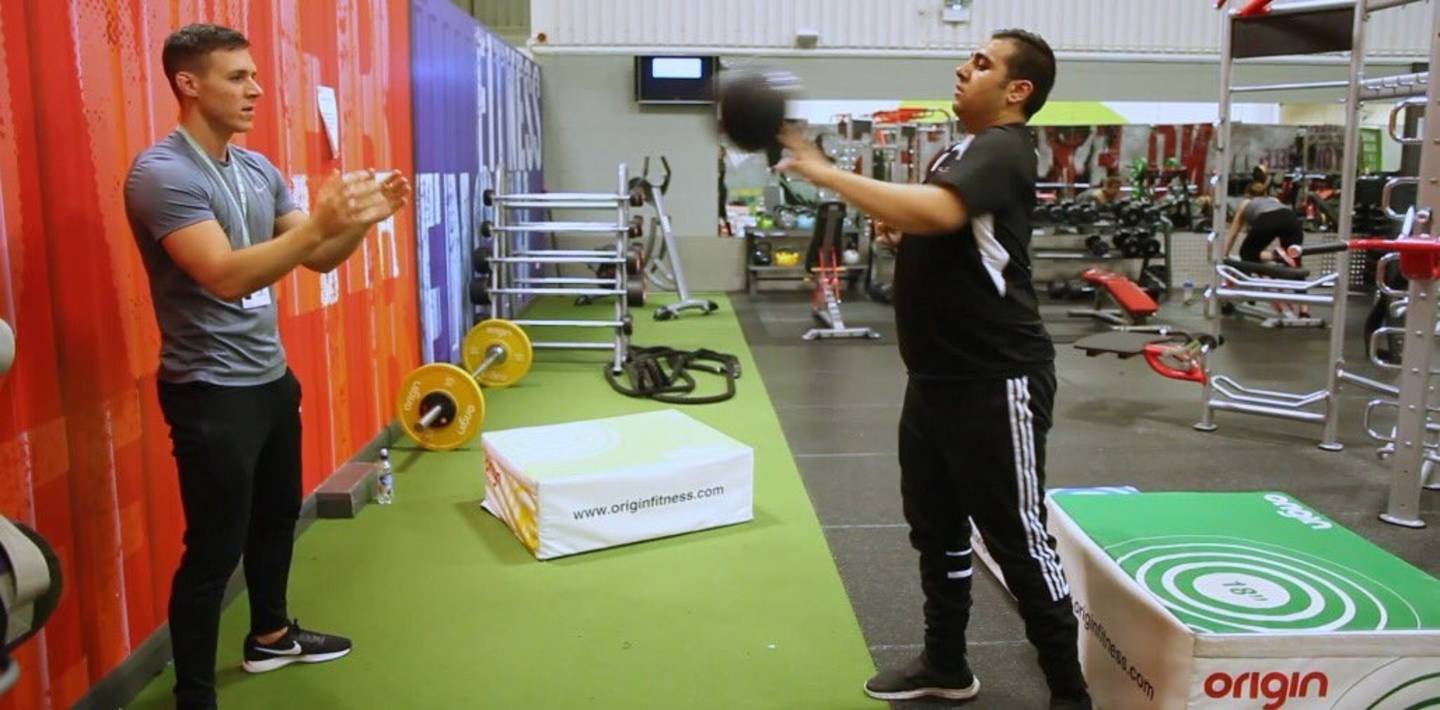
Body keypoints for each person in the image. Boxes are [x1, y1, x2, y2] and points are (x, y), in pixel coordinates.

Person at [777, 29, 1091, 710]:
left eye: (980, 63)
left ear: (1017, 91)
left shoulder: (1006, 149)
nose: (961, 67)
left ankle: (1072, 697)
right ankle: (945, 664)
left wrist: (826, 171)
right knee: (937, 527)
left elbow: (943, 209)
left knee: (1019, 541)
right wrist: (900, 232)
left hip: (995, 377)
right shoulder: (963, 150)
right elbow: (940, 224)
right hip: (936, 381)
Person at [124, 24, 410, 710]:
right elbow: (221, 275)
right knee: (214, 547)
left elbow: (313, 258)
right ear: (188, 84)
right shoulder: (163, 174)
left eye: (254, 74)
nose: (255, 89)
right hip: (209, 390)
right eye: (236, 77)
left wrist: (361, 220)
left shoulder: (255, 169)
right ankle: (194, 692)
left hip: (269, 378)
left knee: (278, 513)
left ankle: (271, 635)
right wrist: (321, 223)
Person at [1223, 180, 1305, 266]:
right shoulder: (1274, 200)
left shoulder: (1246, 203)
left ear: (1247, 194)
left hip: (1268, 218)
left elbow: (1233, 233)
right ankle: (1297, 276)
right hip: (1291, 218)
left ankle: (1276, 256)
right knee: (1293, 255)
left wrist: (1225, 254)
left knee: (1247, 253)